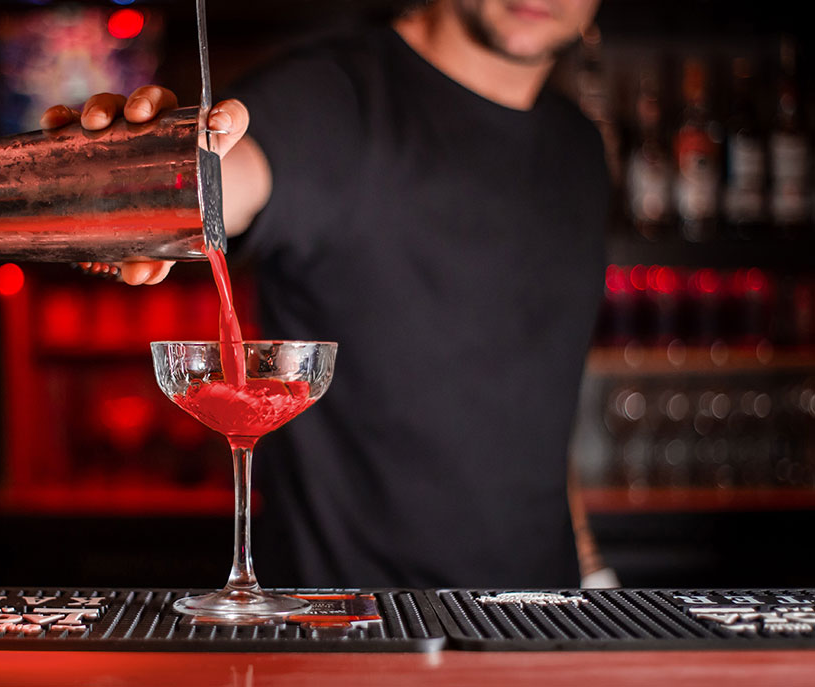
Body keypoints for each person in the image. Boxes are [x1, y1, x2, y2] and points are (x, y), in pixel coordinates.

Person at [44, 0, 610, 589]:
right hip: (357, 632)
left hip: (545, 618)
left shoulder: (579, 149)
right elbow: (228, 173)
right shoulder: (329, 96)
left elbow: (536, 399)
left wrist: (593, 568)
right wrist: (134, 177)